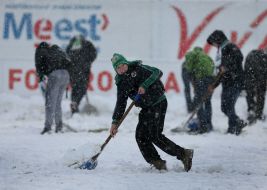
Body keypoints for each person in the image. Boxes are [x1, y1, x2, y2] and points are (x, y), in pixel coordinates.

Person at [109, 53, 193, 171]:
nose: (121, 69)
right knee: (140, 136)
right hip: (146, 107)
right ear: (116, 70)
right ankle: (157, 162)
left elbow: (157, 72)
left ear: (126, 63)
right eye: (118, 68)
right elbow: (121, 103)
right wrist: (115, 121)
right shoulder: (121, 83)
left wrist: (145, 85)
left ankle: (184, 154)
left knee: (155, 135)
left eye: (122, 65)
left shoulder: (138, 69)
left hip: (158, 102)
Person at [207, 30, 246, 135]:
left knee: (229, 105)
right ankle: (238, 122)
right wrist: (214, 86)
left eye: (214, 43)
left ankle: (233, 128)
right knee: (224, 107)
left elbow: (239, 57)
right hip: (227, 82)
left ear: (218, 39)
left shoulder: (230, 47)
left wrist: (227, 66)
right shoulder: (222, 51)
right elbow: (221, 71)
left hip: (235, 81)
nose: (214, 45)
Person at [35, 42, 71, 134]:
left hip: (55, 75)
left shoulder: (41, 51)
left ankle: (48, 127)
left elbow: (39, 64)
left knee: (50, 103)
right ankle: (59, 127)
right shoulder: (58, 50)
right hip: (66, 74)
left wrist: (41, 75)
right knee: (57, 103)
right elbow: (69, 62)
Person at [184, 47, 215, 134]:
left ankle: (203, 126)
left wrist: (196, 85)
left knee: (198, 102)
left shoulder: (191, 55)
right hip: (210, 80)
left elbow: (189, 69)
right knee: (207, 102)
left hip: (201, 80)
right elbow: (213, 69)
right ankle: (209, 124)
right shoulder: (207, 57)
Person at [66, 35, 97, 114]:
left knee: (75, 88)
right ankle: (76, 102)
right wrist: (88, 62)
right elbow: (93, 54)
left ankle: (74, 102)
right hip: (83, 70)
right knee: (82, 88)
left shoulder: (71, 45)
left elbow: (66, 57)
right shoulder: (87, 44)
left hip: (72, 71)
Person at [244, 48, 267, 125]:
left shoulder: (251, 55)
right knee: (261, 94)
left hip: (250, 77)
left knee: (250, 93)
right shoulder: (264, 57)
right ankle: (259, 113)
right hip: (261, 78)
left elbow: (246, 69)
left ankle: (251, 110)